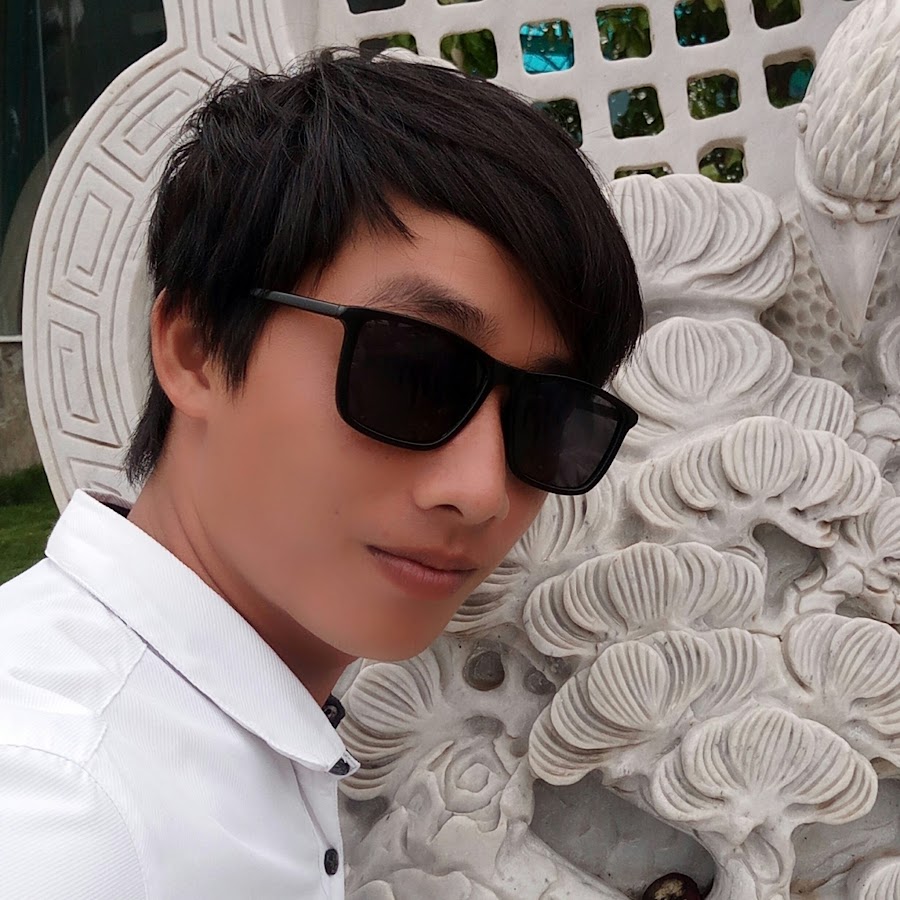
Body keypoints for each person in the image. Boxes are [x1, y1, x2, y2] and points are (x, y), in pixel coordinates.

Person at [0, 49, 642, 898]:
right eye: (414, 373)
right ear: (195, 348)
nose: (483, 491)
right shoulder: (60, 817)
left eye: (547, 417)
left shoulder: (209, 731)